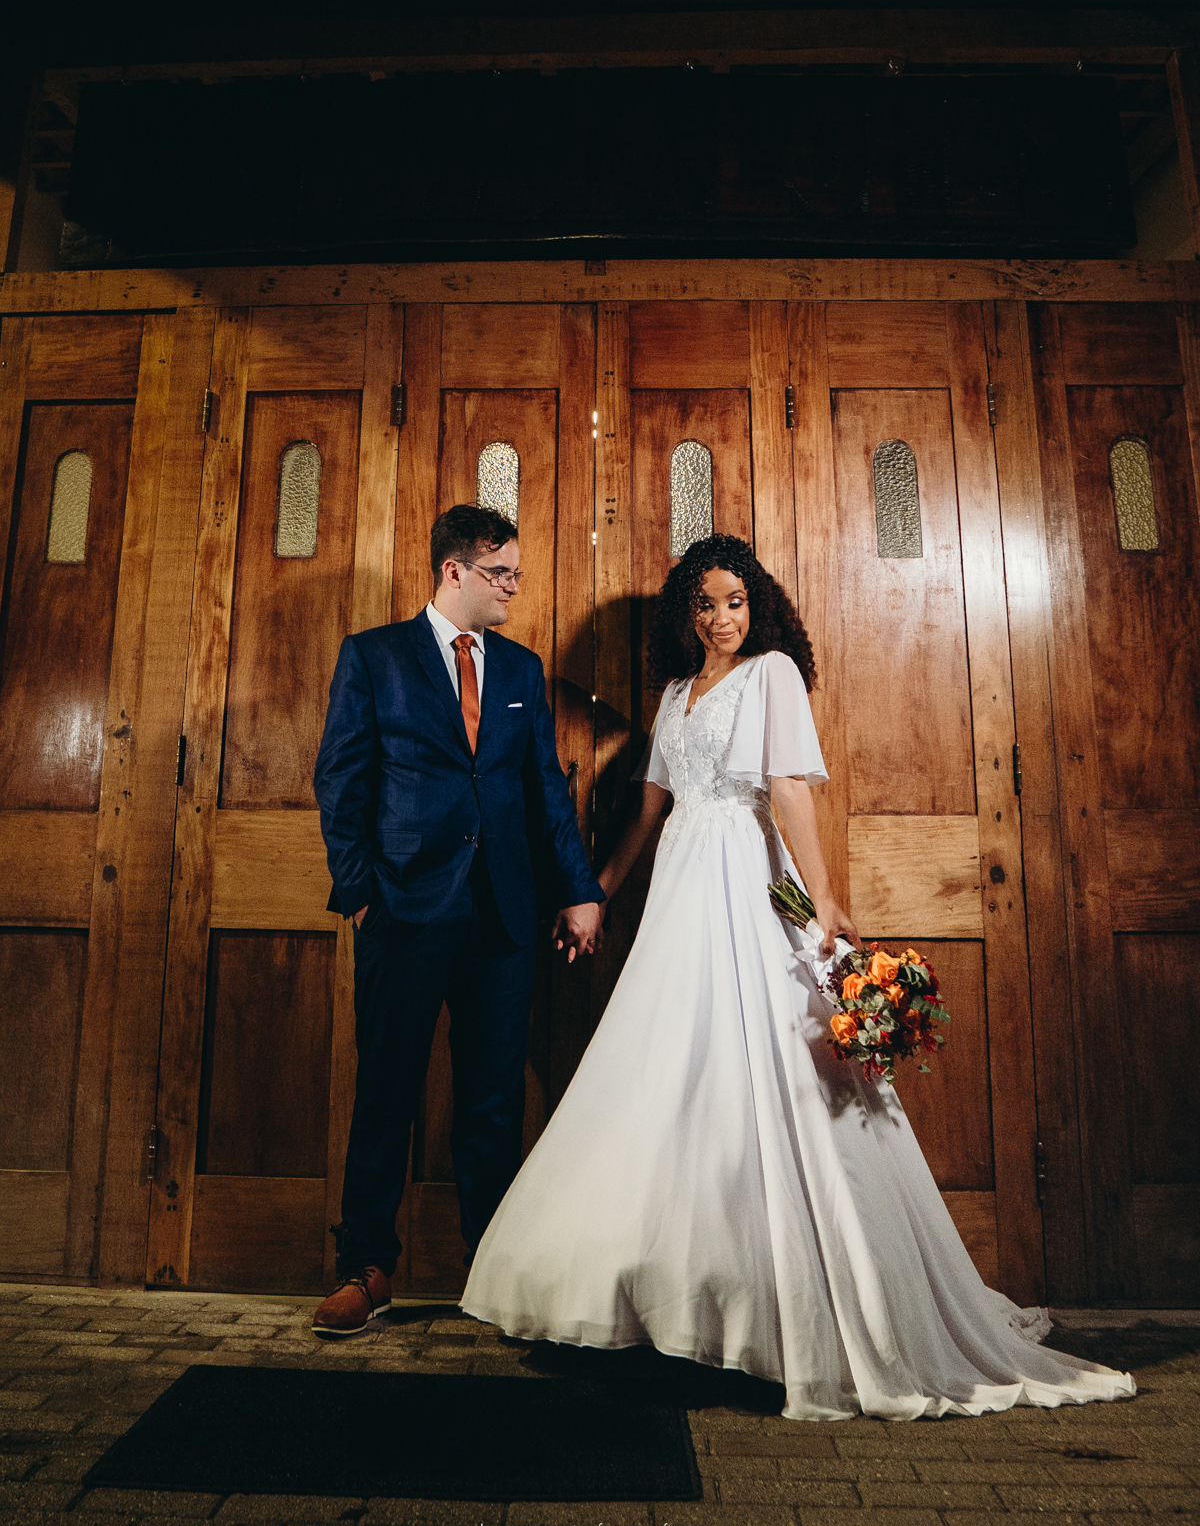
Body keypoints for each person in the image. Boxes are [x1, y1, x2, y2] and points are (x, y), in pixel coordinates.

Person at [461, 534, 1135, 1421]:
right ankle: (668, 1300)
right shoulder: (674, 693)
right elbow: (650, 807)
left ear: (759, 606)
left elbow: (789, 791)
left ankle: (789, 1308)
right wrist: (600, 891)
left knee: (767, 1055)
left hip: (746, 877)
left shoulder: (773, 673)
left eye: (736, 602)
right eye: (704, 604)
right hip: (679, 889)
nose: (721, 618)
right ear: (685, 616)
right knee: (669, 1061)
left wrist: (824, 902)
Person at [311, 504, 605, 1337]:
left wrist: (578, 889)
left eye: (514, 573)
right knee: (386, 1093)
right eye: (500, 573)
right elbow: (342, 779)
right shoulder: (373, 656)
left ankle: (492, 1271)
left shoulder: (519, 669)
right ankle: (366, 1270)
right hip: (403, 908)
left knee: (491, 1103)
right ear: (453, 572)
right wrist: (362, 889)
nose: (514, 586)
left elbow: (546, 790)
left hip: (503, 915)